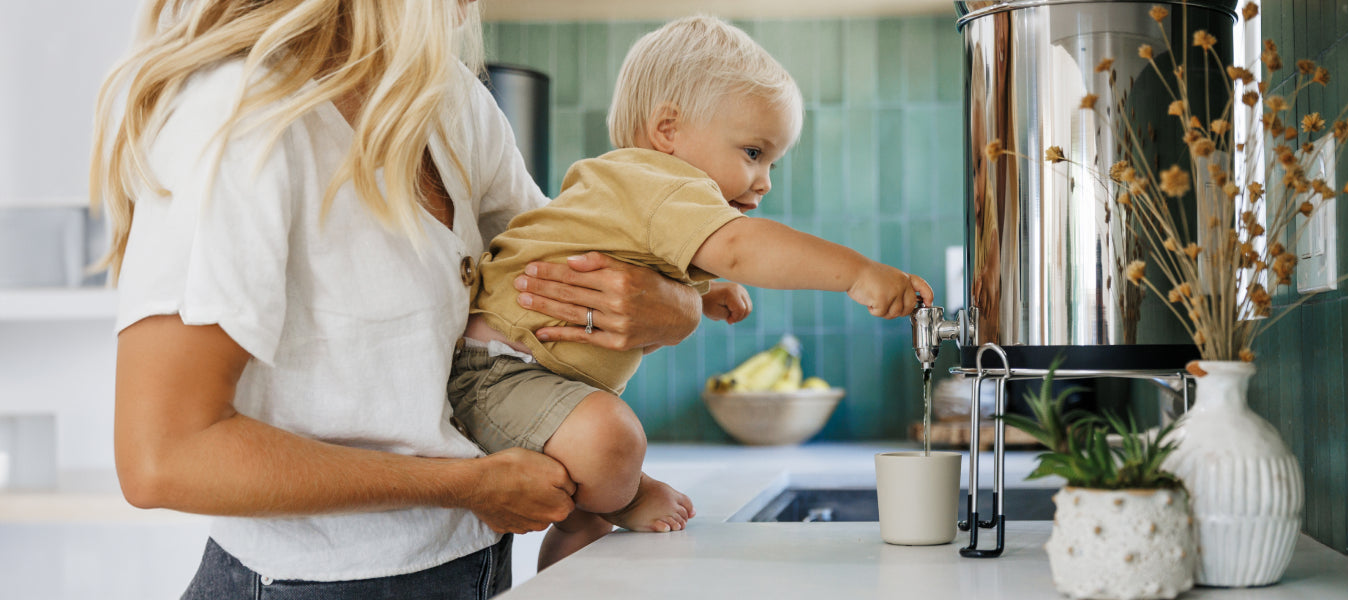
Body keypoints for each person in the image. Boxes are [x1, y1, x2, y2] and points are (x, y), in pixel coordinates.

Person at [91, 1, 707, 596]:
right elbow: (164, 457)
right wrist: (465, 485)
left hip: (475, 566)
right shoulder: (237, 120)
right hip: (311, 587)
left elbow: (559, 281)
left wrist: (673, 307)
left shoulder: (448, 99)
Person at [453, 15, 935, 569]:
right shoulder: (658, 182)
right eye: (753, 152)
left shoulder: (640, 195)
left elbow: (625, 259)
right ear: (668, 131)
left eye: (772, 160)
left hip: (522, 376)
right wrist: (856, 272)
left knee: (600, 474)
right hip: (501, 372)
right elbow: (740, 248)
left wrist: (699, 298)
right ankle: (626, 495)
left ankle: (587, 521)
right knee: (616, 441)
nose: (765, 180)